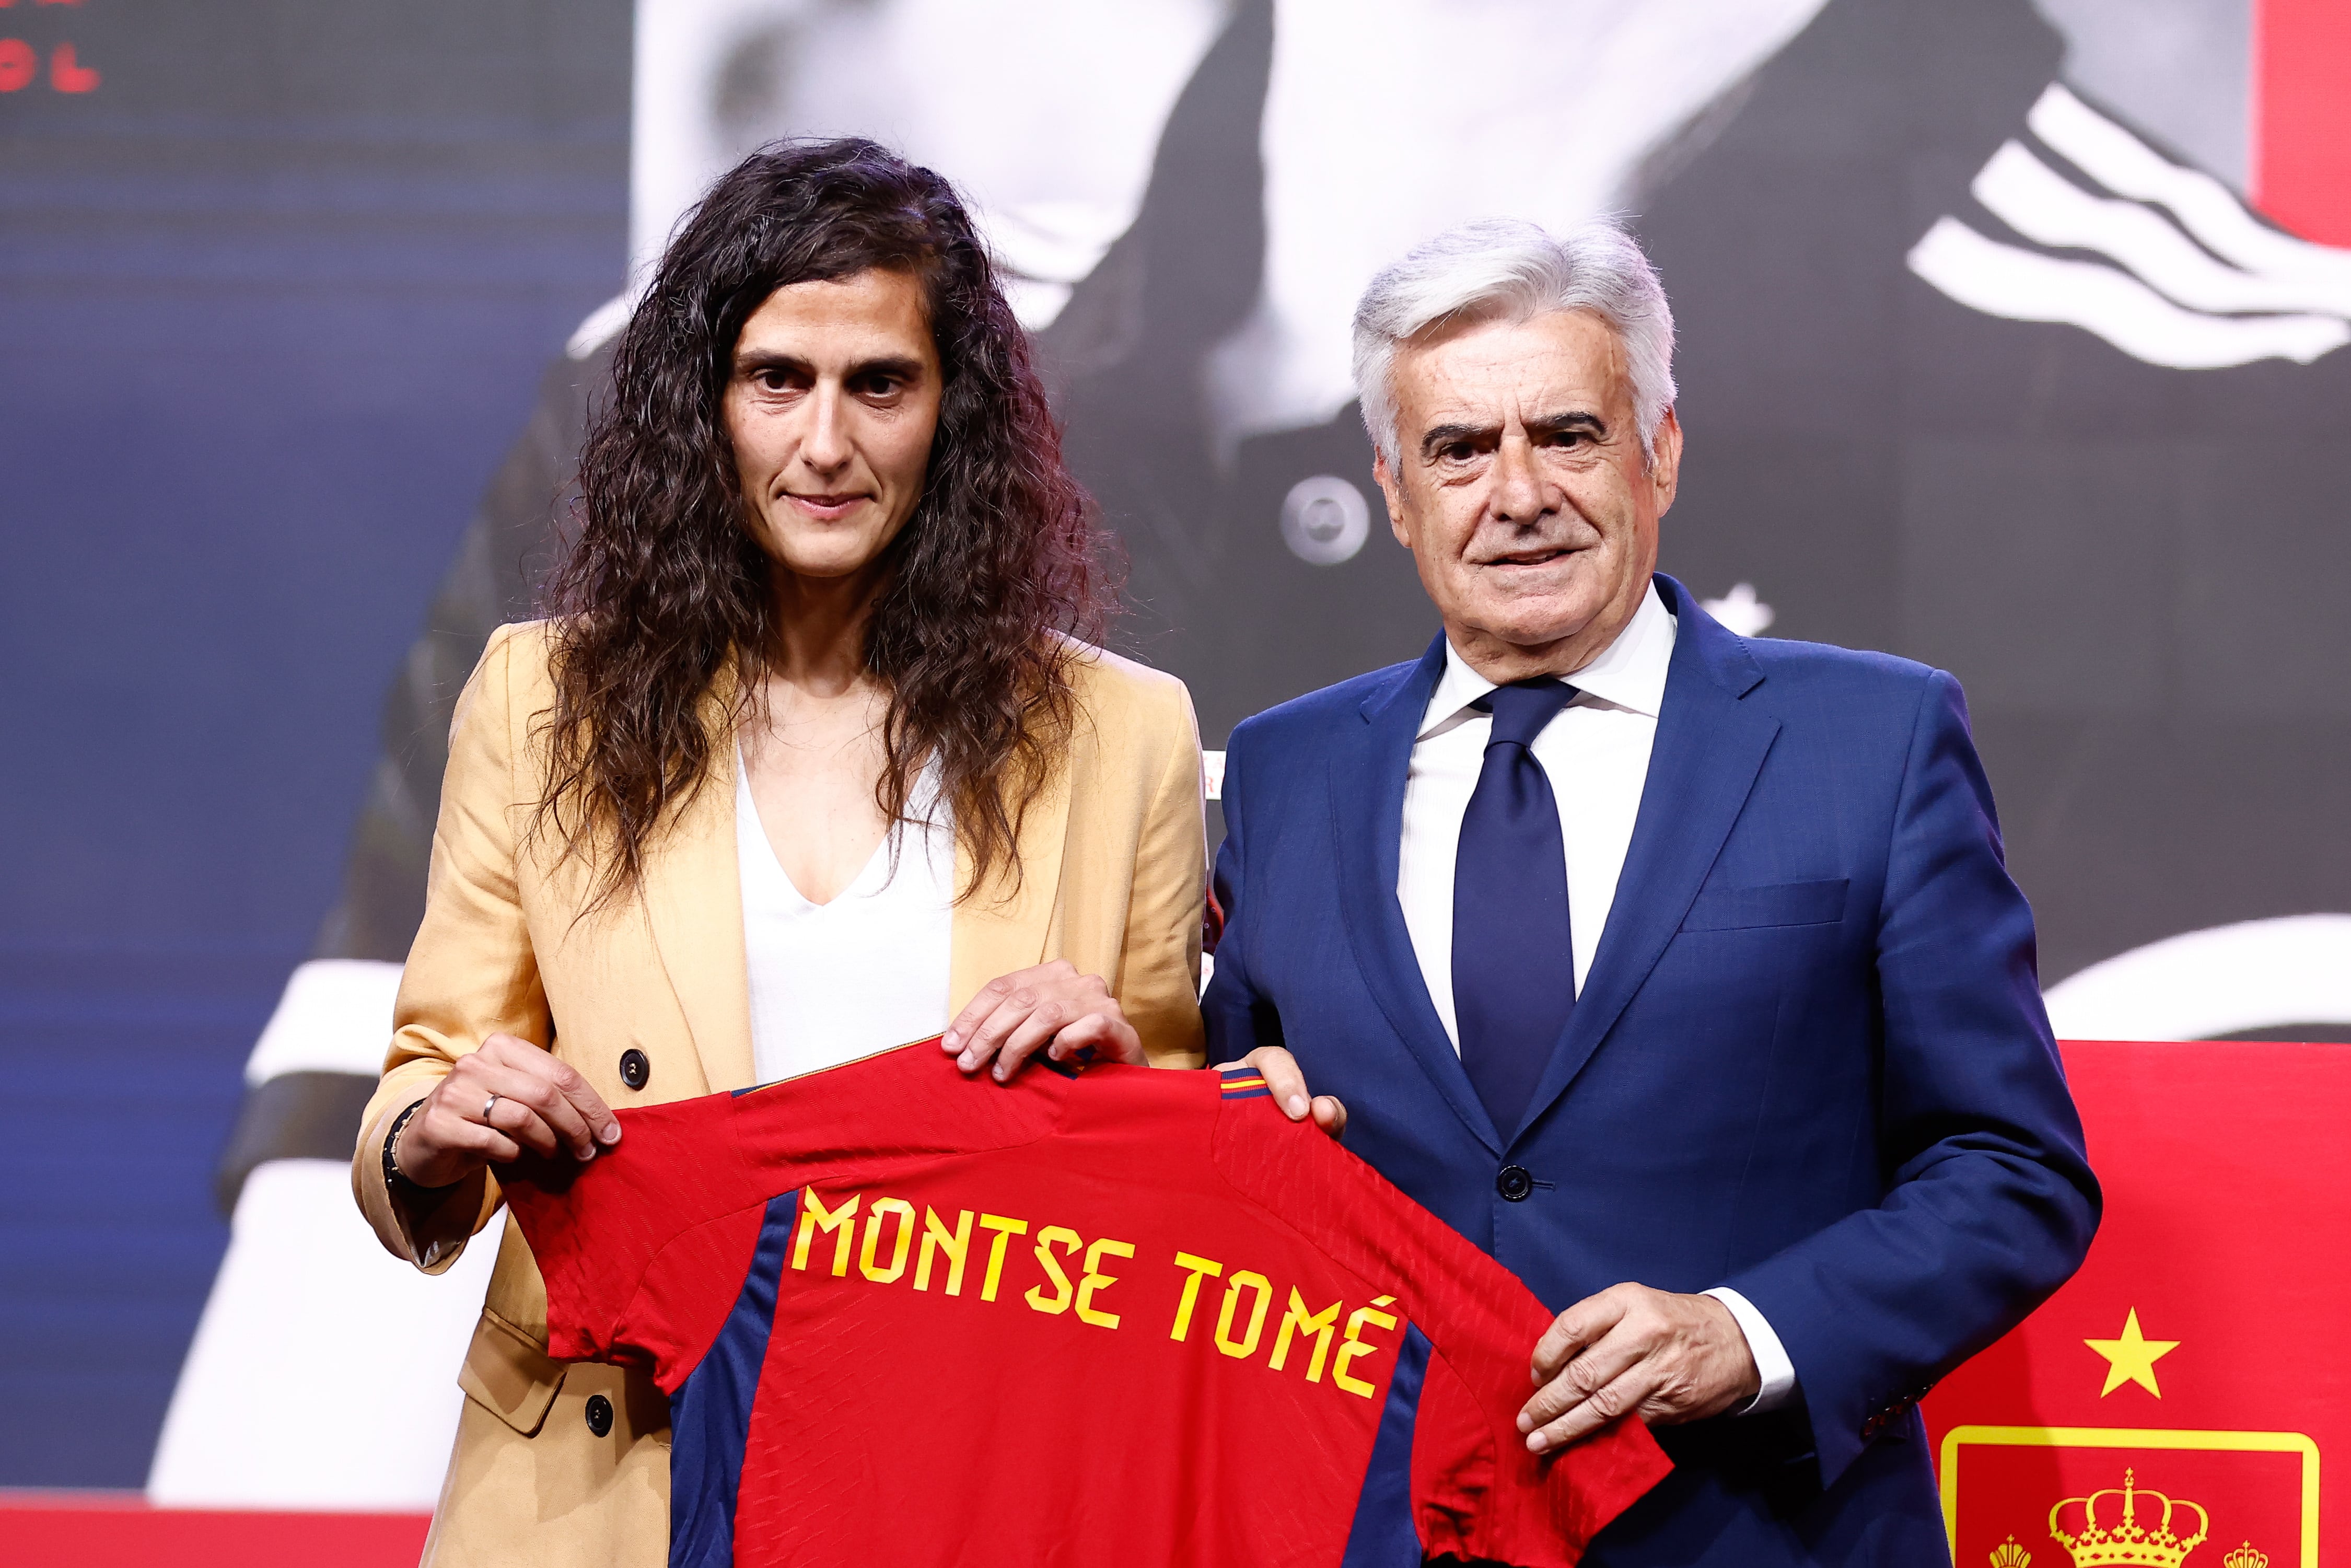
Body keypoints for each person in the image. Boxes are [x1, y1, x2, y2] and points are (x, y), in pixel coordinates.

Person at [350, 139, 1208, 1567]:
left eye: (880, 383)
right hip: (604, 1471)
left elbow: (1180, 1188)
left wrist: (1122, 1073)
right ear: (707, 407)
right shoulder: (539, 699)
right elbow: (428, 1078)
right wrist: (435, 1133)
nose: (825, 442)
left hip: (964, 1472)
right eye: (776, 381)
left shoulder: (1125, 732)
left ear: (954, 415)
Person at [1202, 216, 2099, 1563]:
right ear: (1394, 493)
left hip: (1756, 1531)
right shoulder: (1285, 768)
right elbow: (1235, 1159)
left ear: (1660, 452)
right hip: (1378, 1530)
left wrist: (1747, 1336)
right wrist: (1221, 1118)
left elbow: (2015, 1167)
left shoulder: (1873, 738)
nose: (1517, 494)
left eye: (1567, 434)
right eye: (1458, 450)